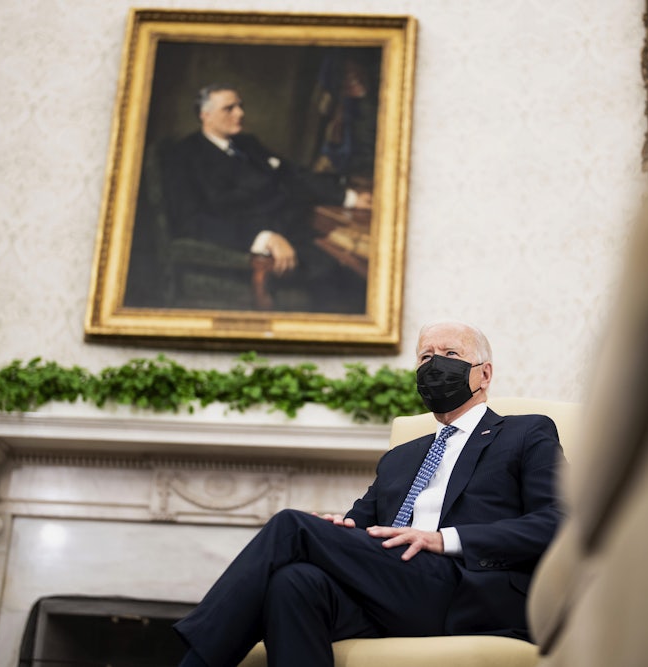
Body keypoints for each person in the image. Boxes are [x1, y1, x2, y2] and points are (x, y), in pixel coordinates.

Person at [174, 321, 567, 667]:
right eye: (426, 356)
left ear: (484, 374)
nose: (436, 364)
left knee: (291, 526)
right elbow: (360, 522)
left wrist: (442, 539)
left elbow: (556, 523)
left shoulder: (525, 433)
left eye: (450, 353)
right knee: (294, 582)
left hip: (468, 589)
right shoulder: (401, 457)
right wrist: (339, 527)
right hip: (392, 589)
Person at [161, 83, 371, 313]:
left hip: (294, 232)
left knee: (354, 268)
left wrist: (348, 198)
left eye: (240, 106)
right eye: (229, 109)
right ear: (205, 115)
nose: (240, 113)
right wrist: (264, 237)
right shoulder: (184, 156)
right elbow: (191, 221)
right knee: (343, 280)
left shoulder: (247, 144)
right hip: (247, 249)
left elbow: (294, 175)